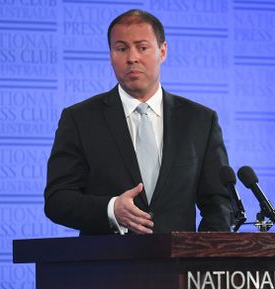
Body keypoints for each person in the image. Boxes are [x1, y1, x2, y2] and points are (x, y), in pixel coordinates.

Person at [44, 9, 232, 235]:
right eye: (121, 48)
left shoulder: (200, 120)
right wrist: (111, 209)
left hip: (179, 266)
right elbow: (58, 200)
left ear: (163, 51)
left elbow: (219, 202)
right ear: (111, 54)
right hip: (107, 264)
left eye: (142, 47)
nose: (132, 58)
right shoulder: (80, 119)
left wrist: (203, 254)